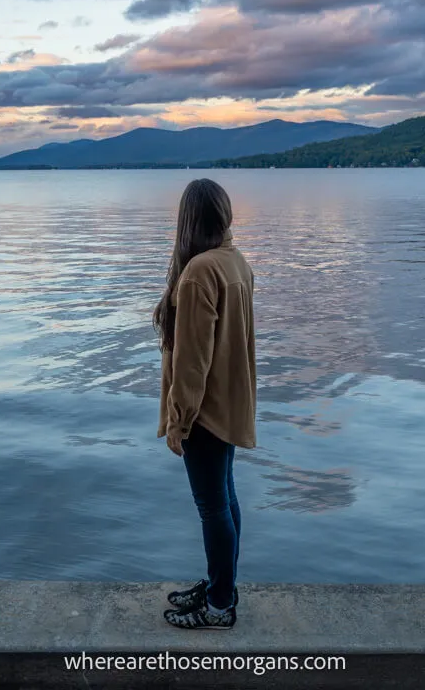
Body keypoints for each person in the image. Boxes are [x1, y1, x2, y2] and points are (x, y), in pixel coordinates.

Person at [155, 178, 256, 631]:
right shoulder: (236, 262)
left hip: (206, 411)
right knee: (226, 498)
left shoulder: (199, 271)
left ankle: (219, 604)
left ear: (188, 219)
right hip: (231, 403)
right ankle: (221, 586)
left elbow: (192, 362)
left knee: (212, 505)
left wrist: (179, 421)